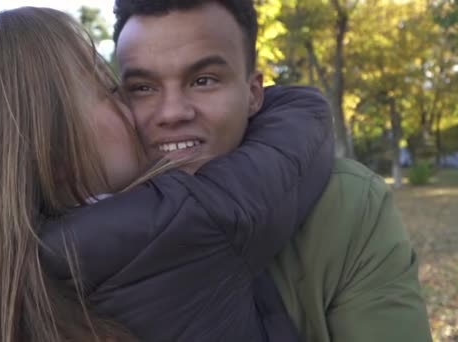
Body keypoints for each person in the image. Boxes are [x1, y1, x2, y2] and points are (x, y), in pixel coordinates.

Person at [0, 7, 333, 342]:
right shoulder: (175, 227)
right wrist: (277, 101)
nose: (142, 111)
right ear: (52, 149)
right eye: (112, 89)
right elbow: (291, 150)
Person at [112, 0, 433, 341]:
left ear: (252, 94)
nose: (172, 112)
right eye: (143, 88)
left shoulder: (349, 206)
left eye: (203, 80)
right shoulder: (74, 211)